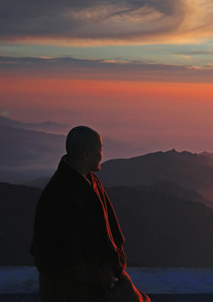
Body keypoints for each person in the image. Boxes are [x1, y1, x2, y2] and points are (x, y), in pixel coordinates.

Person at [31, 126, 150, 302]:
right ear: (86, 155)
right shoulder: (59, 194)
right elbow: (63, 259)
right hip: (69, 285)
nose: (102, 155)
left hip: (97, 274)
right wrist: (100, 277)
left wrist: (113, 266)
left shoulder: (88, 180)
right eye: (100, 150)